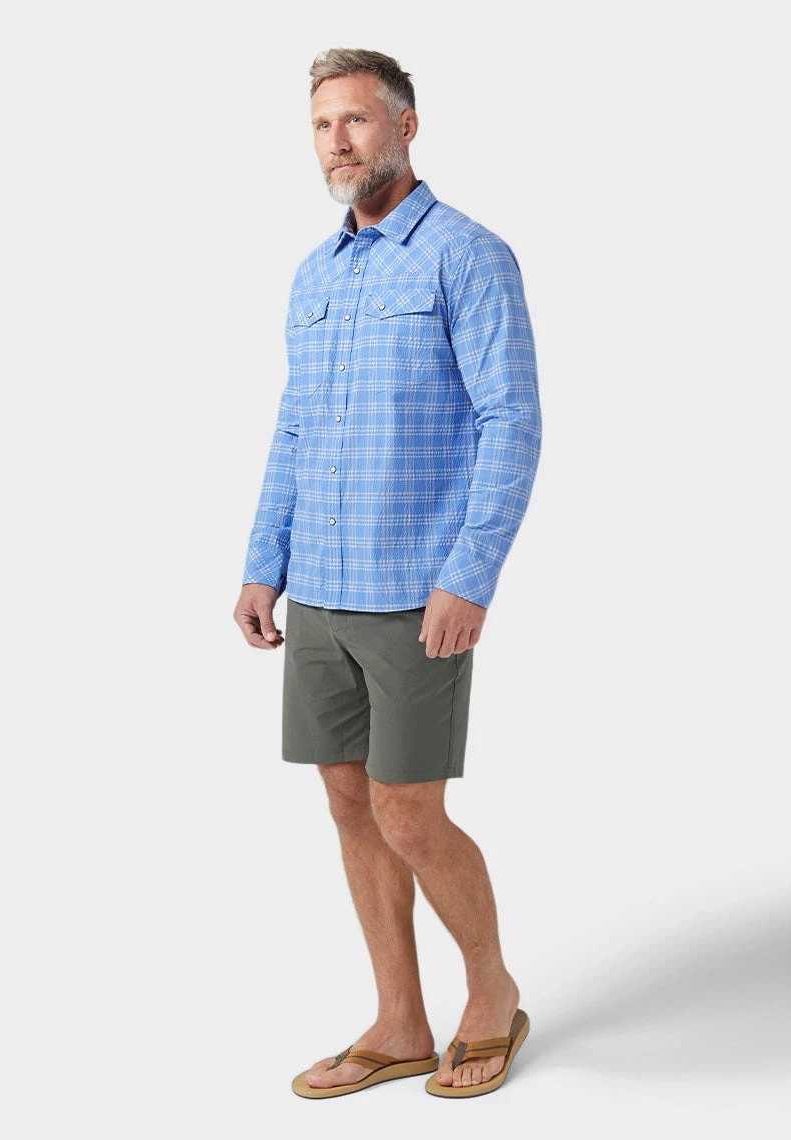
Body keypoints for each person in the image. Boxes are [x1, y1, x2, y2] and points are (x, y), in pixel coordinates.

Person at [234, 47, 542, 1099]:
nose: (338, 142)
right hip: (318, 588)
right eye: (323, 125)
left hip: (416, 589)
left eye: (357, 120)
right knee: (348, 803)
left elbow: (510, 421)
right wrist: (263, 563)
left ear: (406, 127)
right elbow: (294, 426)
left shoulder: (467, 256)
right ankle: (400, 1021)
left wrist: (471, 573)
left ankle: (491, 995)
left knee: (408, 810)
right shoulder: (314, 274)